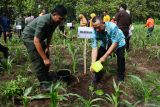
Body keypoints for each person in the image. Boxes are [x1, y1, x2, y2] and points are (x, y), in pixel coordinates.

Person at [22, 5, 67, 91]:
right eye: (60, 18)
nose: (62, 21)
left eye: (63, 19)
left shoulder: (56, 21)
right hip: (29, 37)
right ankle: (43, 84)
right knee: (38, 60)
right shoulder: (44, 21)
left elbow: (50, 33)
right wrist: (44, 59)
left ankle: (46, 76)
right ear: (54, 14)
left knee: (46, 54)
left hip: (38, 37)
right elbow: (36, 41)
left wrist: (47, 47)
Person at [90, 16, 126, 83]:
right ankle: (98, 76)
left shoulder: (112, 27)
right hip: (106, 42)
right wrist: (93, 63)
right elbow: (94, 48)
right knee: (98, 56)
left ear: (103, 23)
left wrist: (104, 57)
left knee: (121, 58)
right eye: (95, 27)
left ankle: (121, 77)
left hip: (119, 42)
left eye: (98, 27)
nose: (97, 30)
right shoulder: (93, 32)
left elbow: (115, 43)